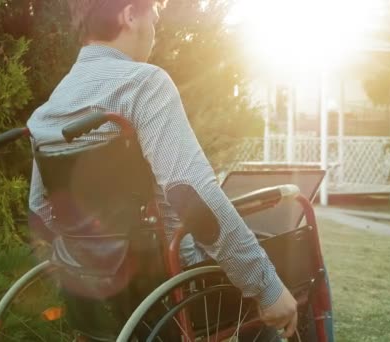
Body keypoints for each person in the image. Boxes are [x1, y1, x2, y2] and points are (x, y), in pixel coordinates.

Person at [27, 0, 298, 338]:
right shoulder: (144, 84)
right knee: (293, 257)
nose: (155, 28)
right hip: (173, 288)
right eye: (153, 16)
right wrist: (268, 288)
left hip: (94, 291)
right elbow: (190, 194)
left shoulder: (52, 108)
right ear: (129, 15)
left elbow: (40, 211)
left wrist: (93, 260)